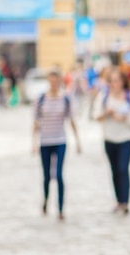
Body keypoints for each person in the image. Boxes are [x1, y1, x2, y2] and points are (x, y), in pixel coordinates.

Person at [92, 66, 130, 214]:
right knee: (114, 170)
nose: (115, 84)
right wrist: (105, 113)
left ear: (123, 81)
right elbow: (95, 115)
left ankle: (125, 202)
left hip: (127, 138)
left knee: (123, 168)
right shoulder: (104, 96)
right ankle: (119, 201)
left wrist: (125, 118)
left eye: (118, 80)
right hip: (109, 138)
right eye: (112, 81)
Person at [32, 69, 81, 220]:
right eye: (51, 81)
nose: (53, 84)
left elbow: (71, 120)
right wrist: (33, 142)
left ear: (59, 81)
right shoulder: (40, 99)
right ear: (48, 81)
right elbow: (35, 122)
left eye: (56, 81)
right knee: (47, 176)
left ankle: (60, 209)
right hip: (45, 141)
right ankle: (46, 201)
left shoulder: (65, 99)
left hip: (60, 140)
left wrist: (78, 140)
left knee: (59, 175)